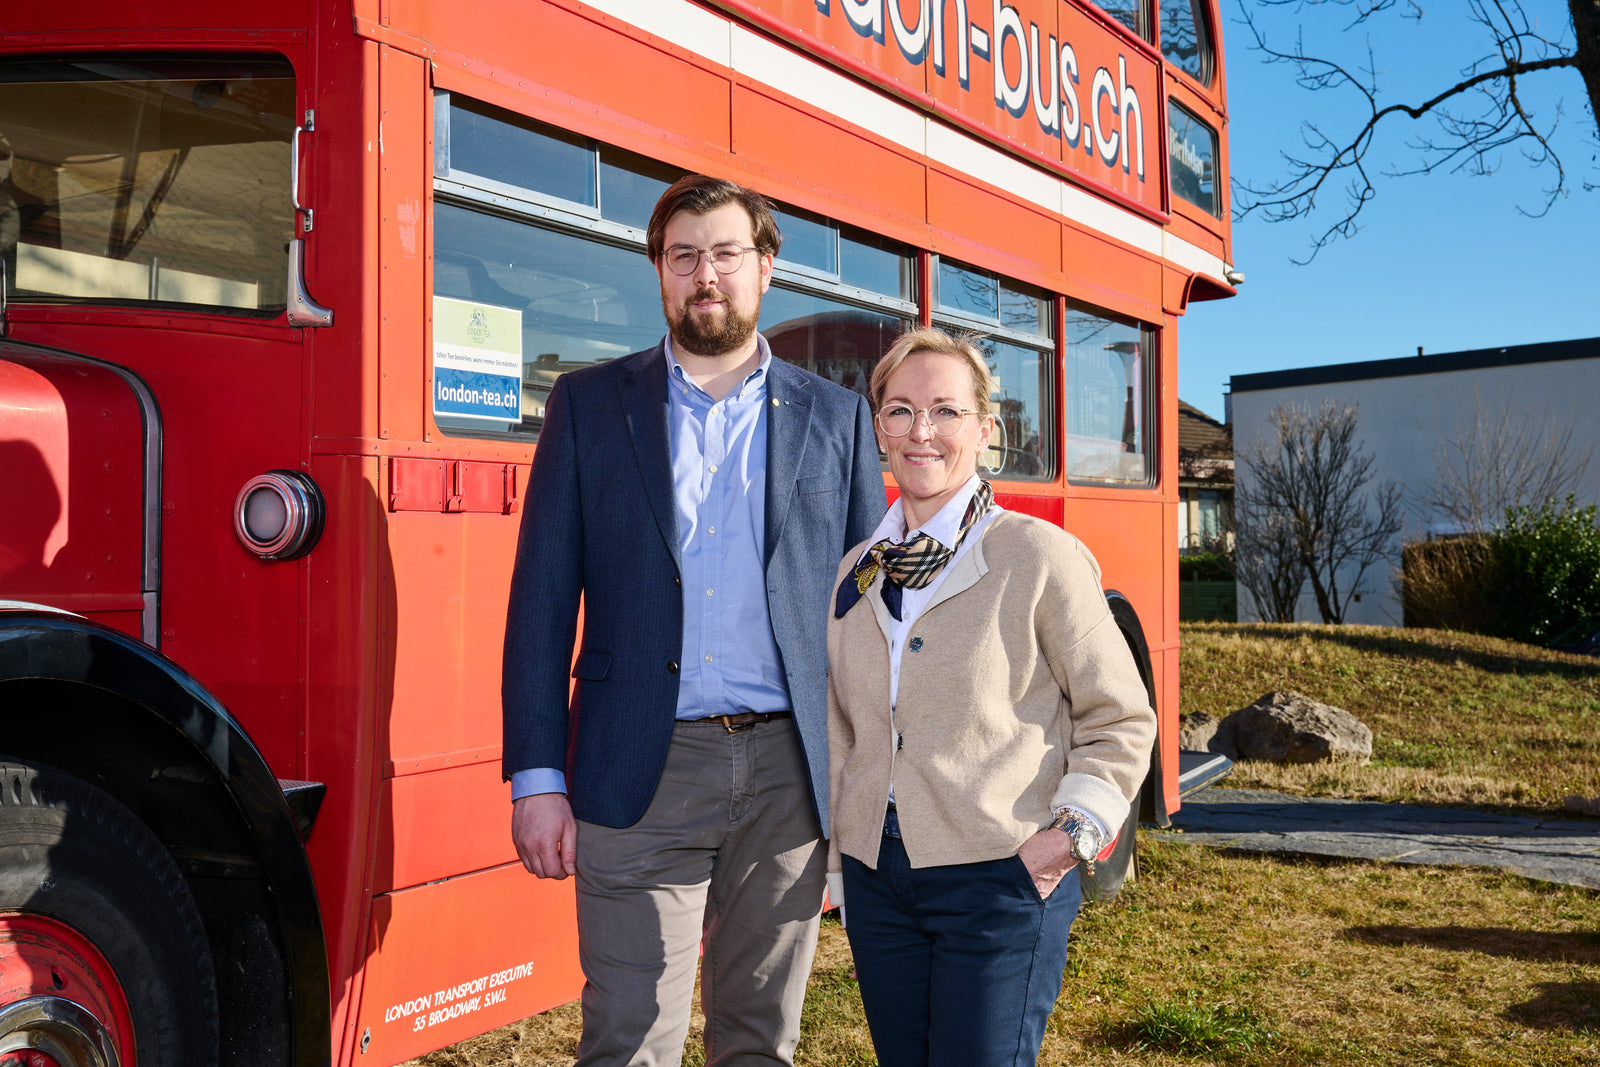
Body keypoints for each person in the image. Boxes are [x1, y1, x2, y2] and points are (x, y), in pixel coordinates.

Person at [502, 173, 886, 1067]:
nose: (703, 274)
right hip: (639, 769)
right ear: (661, 273)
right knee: (629, 1041)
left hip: (791, 778)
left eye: (724, 253)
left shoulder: (837, 418)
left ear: (763, 268)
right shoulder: (589, 406)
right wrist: (535, 775)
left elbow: (868, 618)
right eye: (683, 257)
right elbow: (541, 600)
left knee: (760, 1041)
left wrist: (866, 785)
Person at [825, 326, 1156, 1067]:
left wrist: (1065, 841)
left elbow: (1121, 716)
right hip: (880, 884)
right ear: (878, 427)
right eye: (901, 410)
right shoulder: (859, 569)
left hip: (1000, 877)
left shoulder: (1037, 555)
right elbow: (843, 726)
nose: (922, 431)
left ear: (984, 428)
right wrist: (843, 862)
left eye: (945, 410)